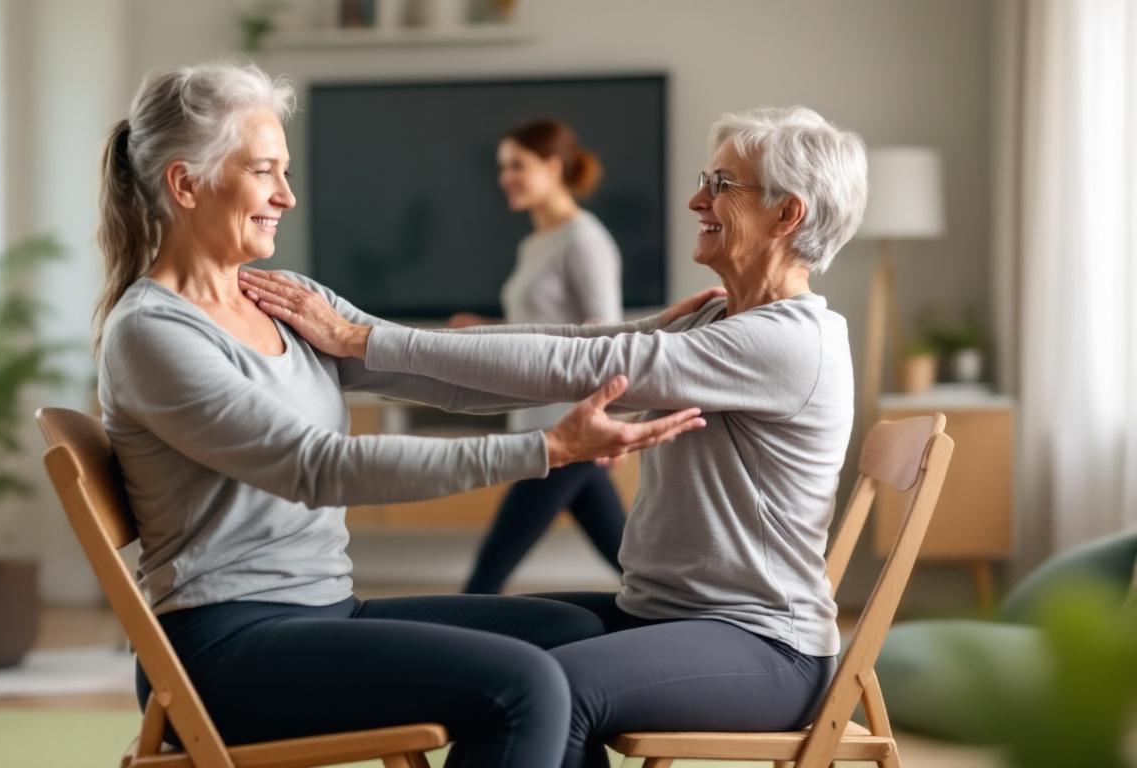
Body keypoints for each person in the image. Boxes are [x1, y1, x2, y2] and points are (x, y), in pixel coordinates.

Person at [94, 62, 711, 768]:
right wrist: (547, 448)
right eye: (264, 172)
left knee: (572, 638)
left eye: (285, 171)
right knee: (525, 686)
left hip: (323, 613)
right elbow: (316, 467)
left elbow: (445, 366)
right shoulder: (153, 332)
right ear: (185, 183)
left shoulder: (283, 298)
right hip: (221, 652)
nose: (287, 196)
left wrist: (640, 334)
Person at [240, 104, 868, 768]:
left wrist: (363, 338)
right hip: (666, 615)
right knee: (494, 666)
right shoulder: (719, 319)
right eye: (704, 180)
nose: (697, 200)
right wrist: (348, 356)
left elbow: (576, 363)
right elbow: (555, 353)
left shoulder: (788, 341)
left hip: (765, 646)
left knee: (544, 693)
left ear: (786, 213)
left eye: (722, 184)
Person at [446, 118, 627, 595]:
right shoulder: (534, 243)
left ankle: (458, 633)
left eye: (517, 166)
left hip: (564, 426)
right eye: (502, 167)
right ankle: (689, 611)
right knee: (631, 561)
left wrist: (606, 422)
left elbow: (606, 336)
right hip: (539, 421)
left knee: (486, 577)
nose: (505, 177)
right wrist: (486, 329)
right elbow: (545, 327)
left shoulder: (584, 238)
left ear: (552, 166)